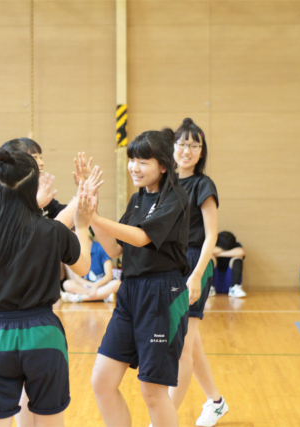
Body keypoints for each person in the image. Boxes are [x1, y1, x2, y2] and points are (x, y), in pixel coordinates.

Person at [0, 148, 96, 427]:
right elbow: (84, 268)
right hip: (44, 335)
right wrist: (81, 227)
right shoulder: (53, 230)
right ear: (33, 188)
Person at [89, 129, 190, 427]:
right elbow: (115, 248)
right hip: (130, 293)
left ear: (163, 166)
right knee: (102, 381)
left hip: (162, 295)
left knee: (153, 392)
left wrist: (95, 218)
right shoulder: (137, 199)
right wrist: (91, 211)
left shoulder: (176, 198)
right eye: (132, 159)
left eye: (143, 161)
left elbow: (142, 237)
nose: (134, 167)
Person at [168, 118, 228, 426]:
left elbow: (211, 235)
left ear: (201, 152)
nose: (187, 150)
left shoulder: (204, 185)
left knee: (182, 347)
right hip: (172, 265)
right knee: (192, 343)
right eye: (182, 144)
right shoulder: (166, 183)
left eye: (194, 145)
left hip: (195, 265)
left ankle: (164, 418)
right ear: (172, 148)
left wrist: (196, 274)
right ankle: (216, 402)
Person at [61, 227, 121, 303]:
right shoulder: (77, 252)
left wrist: (96, 286)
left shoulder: (101, 248)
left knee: (117, 284)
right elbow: (77, 278)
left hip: (102, 284)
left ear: (87, 232)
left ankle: (79, 298)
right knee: (67, 284)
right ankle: (104, 296)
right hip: (88, 285)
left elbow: (108, 275)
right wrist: (92, 286)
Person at [213, 231, 246, 298]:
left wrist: (219, 253)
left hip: (230, 280)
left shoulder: (236, 245)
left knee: (237, 258)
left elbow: (241, 252)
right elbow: (208, 251)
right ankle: (208, 288)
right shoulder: (212, 244)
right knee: (210, 257)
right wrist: (229, 251)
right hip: (215, 280)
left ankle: (235, 288)